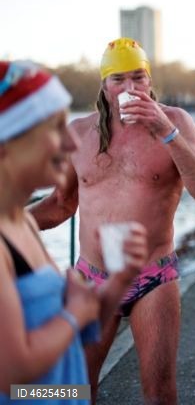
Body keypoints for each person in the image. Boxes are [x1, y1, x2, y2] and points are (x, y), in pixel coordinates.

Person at [30, 38, 195, 404]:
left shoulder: (178, 123)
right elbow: (59, 203)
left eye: (138, 77)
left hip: (153, 276)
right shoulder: (78, 134)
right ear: (104, 86)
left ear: (150, 80)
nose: (130, 88)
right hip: (92, 279)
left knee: (160, 394)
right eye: (119, 79)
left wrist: (166, 131)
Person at [0, 61, 148, 404]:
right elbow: (13, 378)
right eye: (54, 129)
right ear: (6, 146)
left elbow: (69, 334)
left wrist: (118, 281)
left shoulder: (21, 223)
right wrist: (72, 315)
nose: (71, 142)